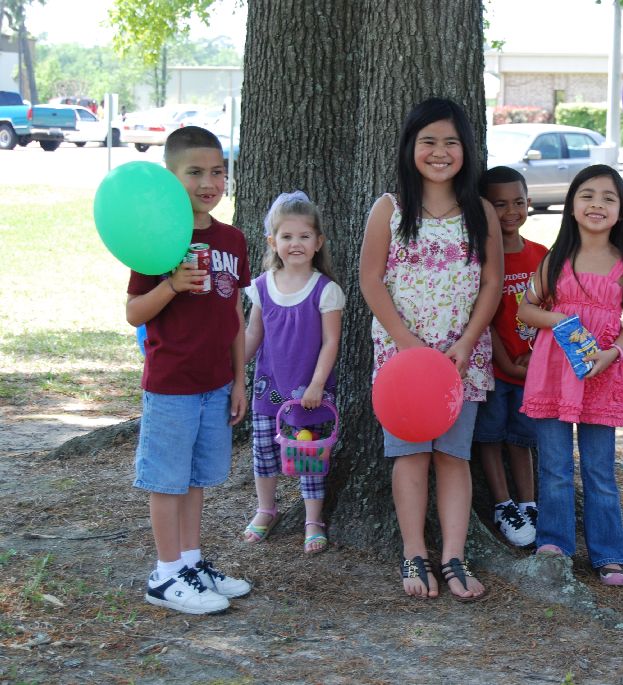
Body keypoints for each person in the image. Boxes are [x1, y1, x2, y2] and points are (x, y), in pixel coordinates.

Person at [359, 97, 501, 601]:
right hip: (403, 362)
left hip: (461, 360)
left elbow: (492, 282)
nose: (440, 152)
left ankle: (454, 557)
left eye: (451, 142)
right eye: (428, 142)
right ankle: (414, 552)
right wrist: (406, 344)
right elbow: (370, 279)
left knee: (453, 456)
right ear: (409, 147)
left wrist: (467, 341)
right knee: (411, 455)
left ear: (466, 150)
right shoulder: (390, 209)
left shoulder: (480, 212)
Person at [126, 126, 251, 615]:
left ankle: (191, 563)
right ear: (170, 178)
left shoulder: (232, 239)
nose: (208, 183)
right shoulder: (157, 240)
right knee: (167, 480)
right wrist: (172, 284)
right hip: (172, 385)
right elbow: (134, 312)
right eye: (194, 172)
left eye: (217, 172)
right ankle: (165, 574)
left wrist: (239, 380)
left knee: (196, 479)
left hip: (216, 384)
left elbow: (234, 313)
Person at [518, 164, 623, 587]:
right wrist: (559, 318)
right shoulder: (556, 259)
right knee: (554, 466)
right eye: (587, 195)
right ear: (571, 205)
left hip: (600, 374)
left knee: (599, 470)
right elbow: (526, 309)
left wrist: (612, 353)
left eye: (609, 198)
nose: (597, 204)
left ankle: (608, 554)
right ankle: (554, 544)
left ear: (621, 210)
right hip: (554, 373)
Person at [242, 191, 344, 555]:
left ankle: (313, 519)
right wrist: (234, 368)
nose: (295, 243)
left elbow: (331, 342)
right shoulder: (262, 286)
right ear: (273, 242)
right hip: (268, 389)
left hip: (309, 394)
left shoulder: (325, 290)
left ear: (318, 242)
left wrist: (316, 384)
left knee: (309, 455)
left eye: (304, 236)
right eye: (286, 236)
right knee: (264, 452)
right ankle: (266, 508)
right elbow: (253, 333)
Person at [472, 166, 548, 547]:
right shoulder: (481, 259)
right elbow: (483, 317)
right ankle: (503, 505)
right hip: (493, 369)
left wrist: (537, 358)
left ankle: (529, 503)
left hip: (532, 369)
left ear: (529, 203)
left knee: (522, 438)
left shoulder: (541, 255)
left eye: (518, 202)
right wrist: (503, 362)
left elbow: (552, 310)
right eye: (499, 204)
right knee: (489, 436)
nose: (511, 211)